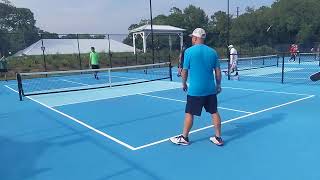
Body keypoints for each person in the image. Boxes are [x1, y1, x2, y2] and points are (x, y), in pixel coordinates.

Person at [170, 28, 224, 146]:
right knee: (214, 112)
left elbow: (184, 71)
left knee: (189, 113)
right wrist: (218, 85)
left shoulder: (189, 52)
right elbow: (218, 71)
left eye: (192, 38)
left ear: (195, 38)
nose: (192, 40)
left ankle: (184, 137)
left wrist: (183, 83)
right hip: (210, 89)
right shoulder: (213, 52)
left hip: (195, 90)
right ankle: (218, 138)